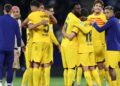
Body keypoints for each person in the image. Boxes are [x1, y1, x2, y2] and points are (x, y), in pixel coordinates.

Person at [92, 5, 120, 86]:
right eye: (105, 13)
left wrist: (94, 24)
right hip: (116, 48)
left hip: (112, 48)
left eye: (107, 13)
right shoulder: (115, 21)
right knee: (113, 67)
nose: (106, 15)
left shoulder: (111, 21)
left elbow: (100, 29)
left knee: (111, 68)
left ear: (112, 13)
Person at [87, 0, 111, 85]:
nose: (97, 7)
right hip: (90, 46)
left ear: (102, 8)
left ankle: (106, 83)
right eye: (96, 5)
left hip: (101, 45)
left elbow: (110, 28)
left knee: (104, 66)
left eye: (100, 6)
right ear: (93, 7)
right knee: (92, 66)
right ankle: (94, 82)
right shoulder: (89, 17)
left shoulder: (104, 17)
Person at [0, 4, 21, 86]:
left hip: (0, 47)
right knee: (10, 68)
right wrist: (19, 46)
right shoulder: (14, 21)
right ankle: (9, 83)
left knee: (0, 65)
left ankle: (0, 82)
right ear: (11, 11)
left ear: (4, 10)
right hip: (10, 48)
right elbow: (18, 36)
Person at [40, 5, 60, 86]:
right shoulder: (48, 20)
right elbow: (51, 34)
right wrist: (58, 44)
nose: (53, 13)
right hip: (47, 44)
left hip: (39, 43)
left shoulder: (40, 19)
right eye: (51, 11)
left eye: (53, 11)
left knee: (40, 67)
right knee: (47, 66)